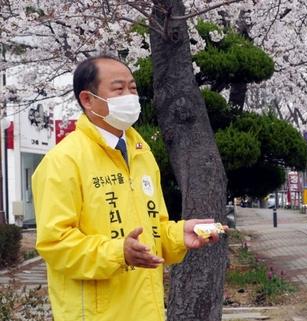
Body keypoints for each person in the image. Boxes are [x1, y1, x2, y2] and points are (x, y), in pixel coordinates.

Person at [32, 55, 222, 321]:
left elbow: (152, 230)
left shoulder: (141, 154)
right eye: (118, 89)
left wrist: (180, 234)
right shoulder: (63, 161)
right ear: (88, 100)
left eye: (132, 88)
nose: (130, 96)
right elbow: (56, 244)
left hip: (146, 310)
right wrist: (118, 252)